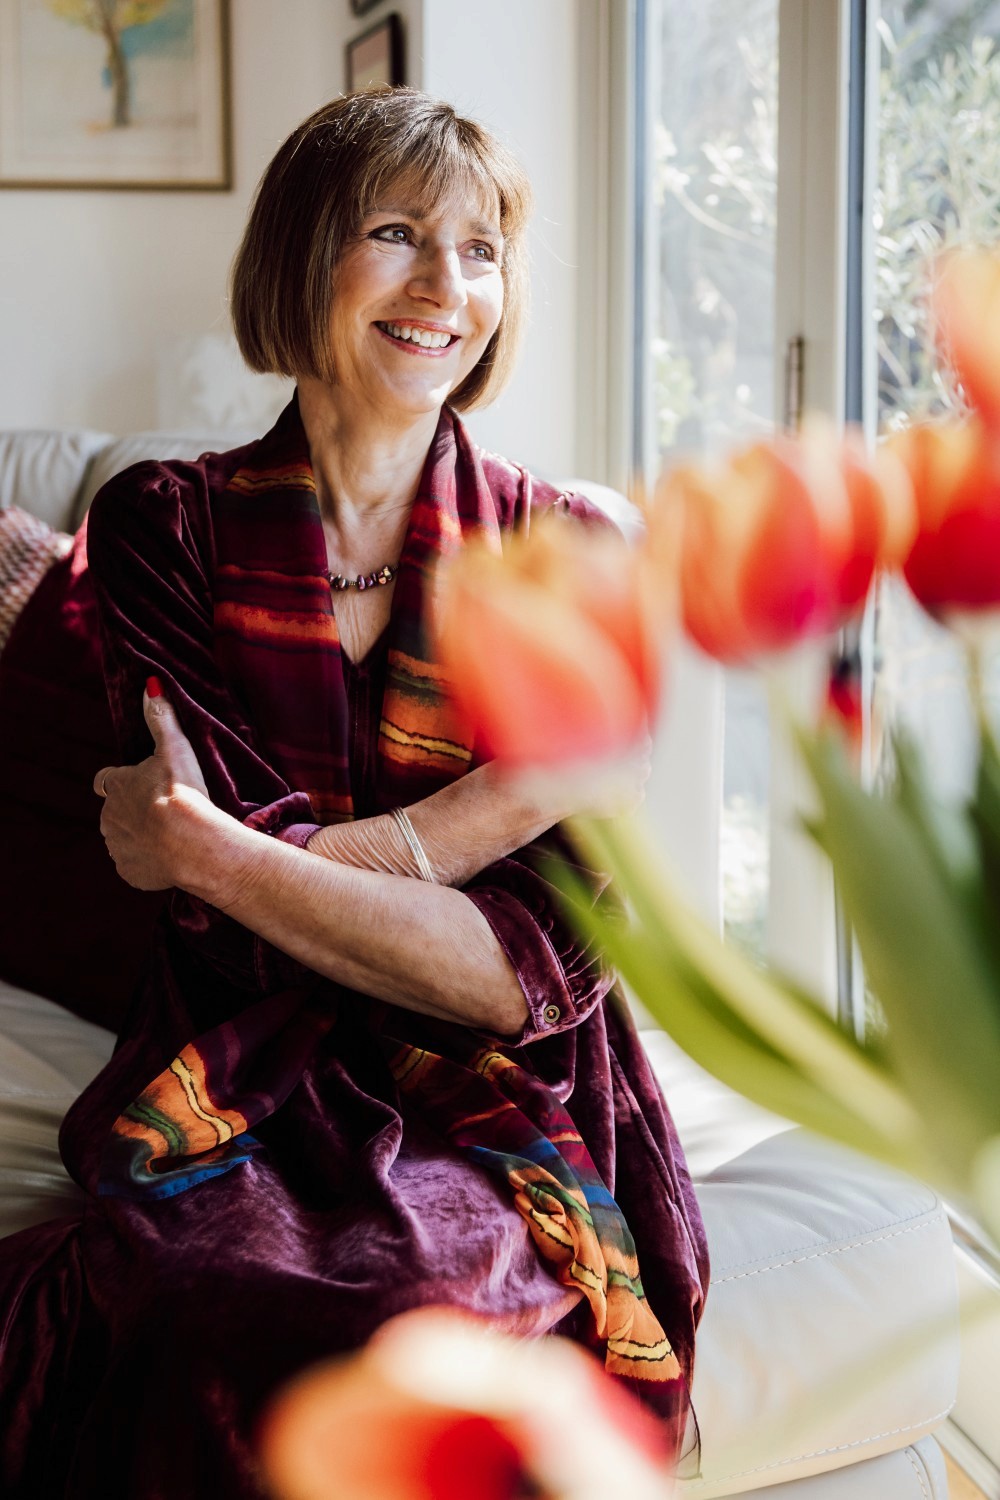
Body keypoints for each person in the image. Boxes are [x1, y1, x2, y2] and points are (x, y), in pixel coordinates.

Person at [0, 88, 708, 1498]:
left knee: (409, 1333)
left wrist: (214, 853)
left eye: (483, 248)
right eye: (397, 234)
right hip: (237, 1056)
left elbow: (530, 975)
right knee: (189, 1307)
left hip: (507, 1093)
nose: (449, 286)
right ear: (301, 257)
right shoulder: (164, 522)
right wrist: (489, 815)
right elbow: (228, 930)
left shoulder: (569, 554)